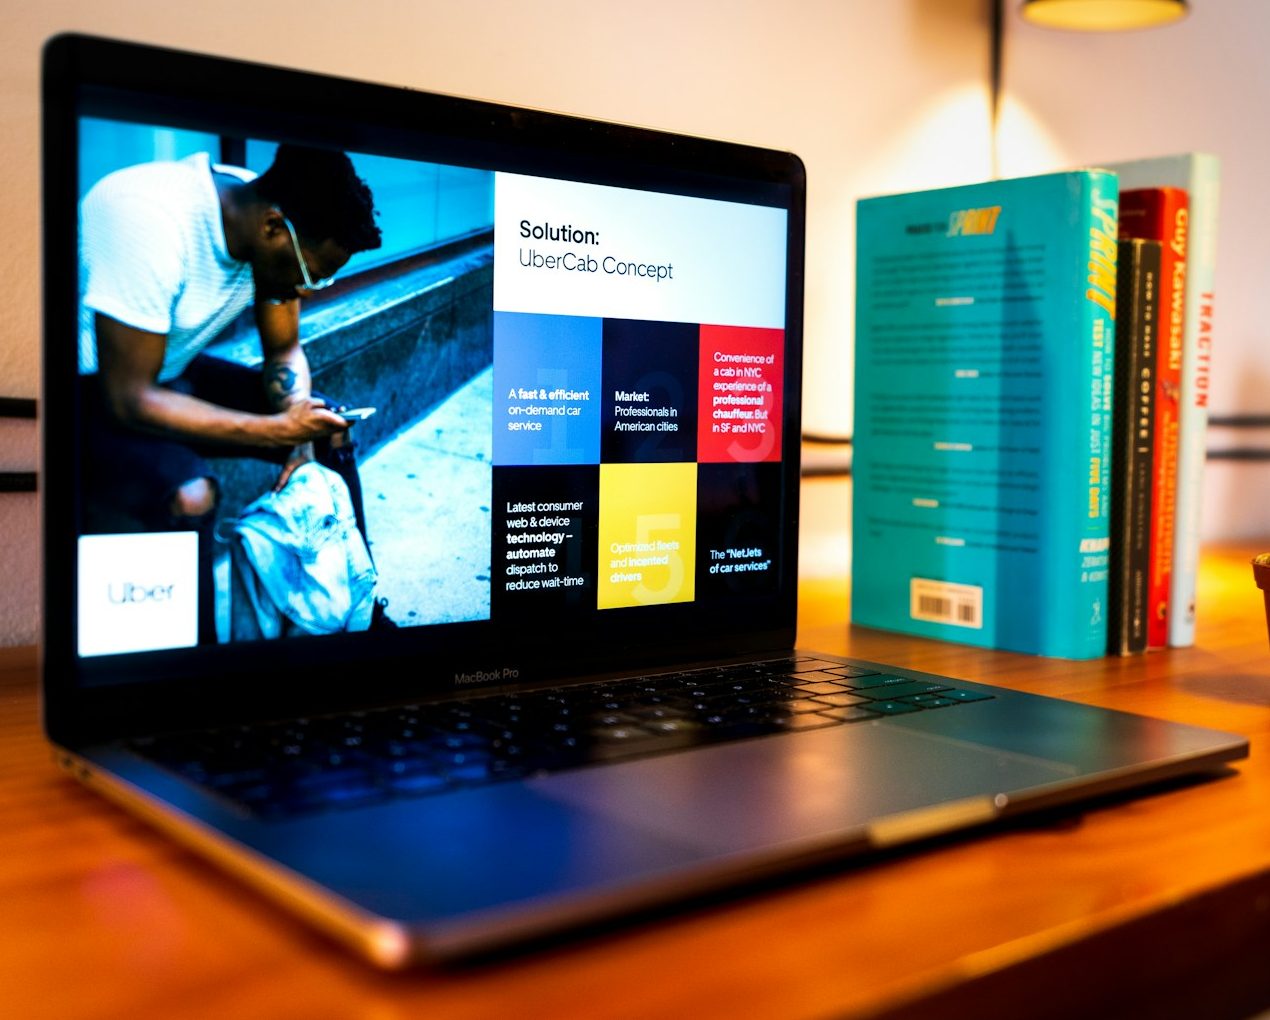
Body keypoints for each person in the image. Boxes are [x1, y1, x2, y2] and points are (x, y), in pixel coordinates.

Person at [78, 142, 389, 640]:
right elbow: (128, 398)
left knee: (329, 425)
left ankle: (361, 617)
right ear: (271, 228)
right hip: (87, 388)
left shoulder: (265, 214)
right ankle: (200, 662)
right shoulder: (149, 219)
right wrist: (274, 432)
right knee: (190, 494)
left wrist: (299, 434)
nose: (308, 291)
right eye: (310, 274)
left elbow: (284, 351)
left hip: (167, 367)